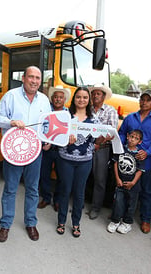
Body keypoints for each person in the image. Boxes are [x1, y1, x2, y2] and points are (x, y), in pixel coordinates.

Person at [0, 66, 51, 242]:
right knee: (10, 189)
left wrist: (47, 138)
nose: (34, 81)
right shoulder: (11, 96)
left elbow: (47, 123)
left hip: (35, 152)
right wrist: (11, 122)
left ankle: (30, 223)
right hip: (14, 152)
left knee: (33, 189)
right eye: (31, 77)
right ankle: (5, 224)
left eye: (37, 78)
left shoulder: (44, 100)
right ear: (23, 78)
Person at [55, 87, 100, 238]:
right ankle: (61, 221)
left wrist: (105, 137)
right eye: (79, 97)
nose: (82, 100)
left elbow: (96, 140)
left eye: (85, 97)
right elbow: (56, 135)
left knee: (79, 193)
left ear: (89, 100)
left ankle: (76, 223)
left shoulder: (94, 119)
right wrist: (65, 138)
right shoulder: (65, 116)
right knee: (65, 190)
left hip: (84, 161)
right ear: (74, 99)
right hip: (66, 159)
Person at [118, 90, 151, 233]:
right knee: (125, 188)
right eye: (142, 99)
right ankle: (121, 216)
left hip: (146, 161)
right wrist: (122, 147)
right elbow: (122, 134)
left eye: (148, 100)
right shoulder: (130, 118)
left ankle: (146, 219)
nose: (144, 102)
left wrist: (148, 152)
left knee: (146, 191)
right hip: (128, 161)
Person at [88, 83, 118, 220]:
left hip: (102, 148)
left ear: (104, 96)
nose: (95, 95)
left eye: (98, 93)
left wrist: (98, 143)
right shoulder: (88, 109)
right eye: (93, 93)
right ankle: (81, 202)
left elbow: (111, 133)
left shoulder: (110, 111)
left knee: (100, 179)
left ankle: (95, 208)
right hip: (86, 146)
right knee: (85, 176)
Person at [38, 85, 71, 211]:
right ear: (52, 98)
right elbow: (42, 128)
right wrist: (45, 142)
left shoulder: (68, 114)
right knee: (44, 174)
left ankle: (57, 200)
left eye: (60, 97)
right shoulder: (46, 111)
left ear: (64, 100)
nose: (58, 99)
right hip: (46, 149)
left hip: (61, 150)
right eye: (56, 97)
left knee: (61, 177)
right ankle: (46, 198)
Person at [107, 129, 145, 234]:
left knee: (131, 204)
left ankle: (127, 223)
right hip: (120, 183)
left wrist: (133, 182)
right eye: (132, 137)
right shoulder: (121, 149)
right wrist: (117, 178)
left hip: (133, 185)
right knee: (118, 202)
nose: (133, 140)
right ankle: (115, 220)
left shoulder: (140, 154)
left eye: (136, 138)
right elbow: (115, 163)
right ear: (127, 136)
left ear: (140, 142)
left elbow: (140, 171)